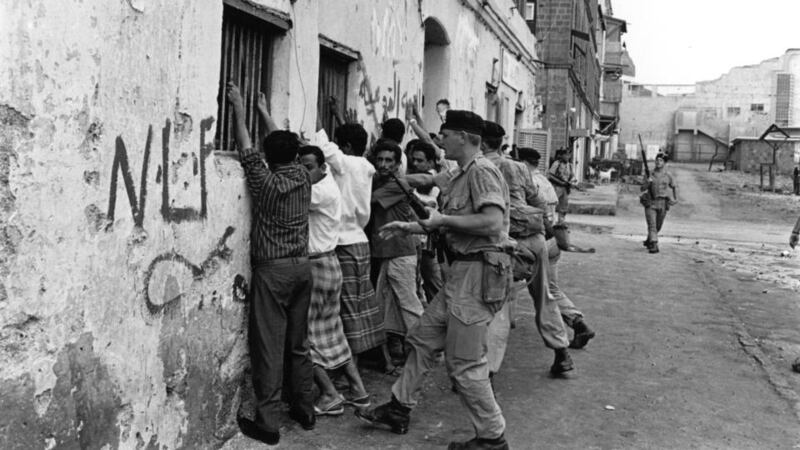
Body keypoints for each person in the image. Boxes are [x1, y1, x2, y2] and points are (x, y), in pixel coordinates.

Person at [357, 110, 512, 450]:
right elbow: (448, 219)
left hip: (478, 273)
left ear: (464, 137)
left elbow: (491, 223)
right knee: (422, 339)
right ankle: (399, 407)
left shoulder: (483, 172)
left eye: (445, 134)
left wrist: (441, 219)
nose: (439, 140)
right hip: (461, 273)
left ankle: (492, 437)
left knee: (466, 365)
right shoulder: (461, 174)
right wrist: (413, 226)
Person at [227, 83, 314, 446]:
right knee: (298, 343)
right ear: (295, 155)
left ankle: (268, 423)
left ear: (269, 155)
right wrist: (265, 112)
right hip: (302, 268)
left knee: (269, 348)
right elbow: (279, 146)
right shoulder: (305, 176)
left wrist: (238, 107)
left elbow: (247, 148)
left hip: (274, 271)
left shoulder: (265, 182)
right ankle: (305, 409)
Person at [481, 124, 574, 377]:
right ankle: (561, 352)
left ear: (480, 142)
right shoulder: (518, 167)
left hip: (505, 243)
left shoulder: (479, 168)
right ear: (501, 143)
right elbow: (538, 200)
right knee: (544, 296)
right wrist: (545, 228)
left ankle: (488, 370)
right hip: (535, 239)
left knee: (499, 304)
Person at [298, 145, 371, 417]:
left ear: (323, 167)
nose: (302, 173)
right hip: (329, 264)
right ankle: (359, 391)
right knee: (333, 334)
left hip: (317, 265)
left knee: (305, 336)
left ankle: (330, 394)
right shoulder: (326, 183)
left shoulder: (318, 192)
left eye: (307, 167)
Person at [518, 147, 596, 349]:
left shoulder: (527, 182)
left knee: (540, 294)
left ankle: (562, 344)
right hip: (552, 241)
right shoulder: (544, 180)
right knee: (550, 289)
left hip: (537, 240)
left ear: (523, 162)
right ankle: (578, 323)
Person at [323, 124, 386, 358]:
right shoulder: (366, 167)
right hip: (360, 240)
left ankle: (352, 363)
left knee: (346, 305)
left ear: (346, 146)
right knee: (361, 301)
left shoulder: (345, 164)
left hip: (344, 242)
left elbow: (324, 146)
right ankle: (368, 355)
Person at [369, 140, 426, 370]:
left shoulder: (394, 184)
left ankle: (424, 351)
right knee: (390, 307)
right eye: (379, 159)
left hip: (400, 253)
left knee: (410, 305)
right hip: (390, 253)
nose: (383, 164)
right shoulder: (386, 181)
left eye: (388, 161)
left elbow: (368, 200)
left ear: (396, 164)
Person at [407, 140, 445, 302]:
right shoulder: (411, 182)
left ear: (430, 162)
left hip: (429, 245)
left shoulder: (435, 185)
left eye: (420, 160)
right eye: (413, 160)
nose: (415, 164)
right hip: (412, 242)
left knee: (433, 285)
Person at [642, 153, 678, 254]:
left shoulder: (668, 175)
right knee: (652, 225)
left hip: (663, 202)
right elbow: (642, 188)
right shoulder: (649, 174)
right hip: (651, 202)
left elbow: (674, 186)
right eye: (657, 160)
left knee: (658, 225)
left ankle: (650, 239)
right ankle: (654, 244)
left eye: (661, 160)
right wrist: (647, 183)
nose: (658, 162)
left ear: (665, 163)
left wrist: (675, 198)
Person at [548, 148, 576, 224]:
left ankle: (561, 223)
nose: (568, 156)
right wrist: (561, 182)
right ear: (561, 155)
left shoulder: (570, 165)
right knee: (552, 205)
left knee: (564, 206)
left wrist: (571, 182)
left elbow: (572, 176)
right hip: (556, 187)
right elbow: (550, 176)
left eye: (569, 155)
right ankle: (551, 222)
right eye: (566, 154)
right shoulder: (556, 163)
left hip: (565, 188)